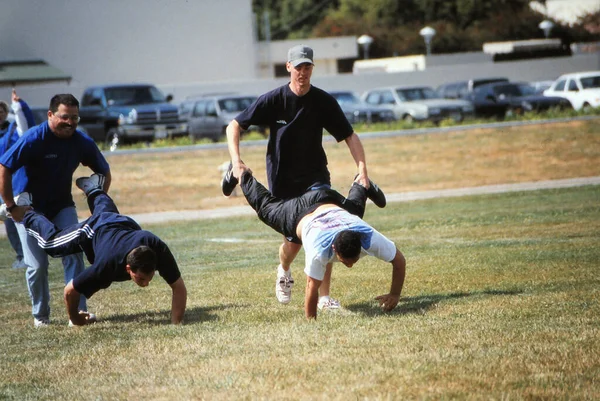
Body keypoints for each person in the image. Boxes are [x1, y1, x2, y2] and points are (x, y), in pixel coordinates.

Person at [223, 44, 386, 309]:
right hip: (283, 180)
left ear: (312, 68)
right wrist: (236, 161)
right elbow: (234, 126)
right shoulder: (273, 100)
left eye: (307, 67)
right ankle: (284, 271)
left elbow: (349, 135)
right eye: (298, 67)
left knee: (330, 230)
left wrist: (363, 171)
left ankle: (324, 298)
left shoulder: (323, 101)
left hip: (316, 178)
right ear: (288, 68)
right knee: (293, 243)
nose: (303, 72)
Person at [1, 174, 187, 326]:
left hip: (120, 223)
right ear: (128, 268)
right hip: (93, 231)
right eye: (141, 278)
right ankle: (26, 210)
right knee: (52, 244)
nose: (146, 284)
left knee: (106, 213)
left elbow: (178, 287)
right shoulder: (106, 265)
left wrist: (175, 324)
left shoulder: (157, 249)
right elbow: (69, 291)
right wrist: (75, 318)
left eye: (148, 278)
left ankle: (94, 189)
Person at [0, 93, 112, 327]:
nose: (70, 122)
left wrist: (98, 206)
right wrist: (11, 207)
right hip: (28, 209)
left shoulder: (80, 141)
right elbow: (4, 166)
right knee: (38, 265)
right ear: (50, 115)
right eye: (64, 117)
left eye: (74, 117)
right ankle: (41, 316)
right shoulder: (34, 138)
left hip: (62, 206)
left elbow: (104, 171)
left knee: (73, 255)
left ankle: (78, 313)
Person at [237, 168, 405, 319]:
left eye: (353, 260)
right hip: (299, 212)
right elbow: (311, 289)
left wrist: (395, 294)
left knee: (355, 211)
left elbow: (399, 261)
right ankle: (241, 173)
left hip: (330, 200)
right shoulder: (319, 250)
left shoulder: (368, 236)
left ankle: (361, 182)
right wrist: (312, 324)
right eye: (345, 262)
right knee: (266, 208)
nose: (350, 266)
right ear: (333, 248)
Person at [0, 89, 35, 270]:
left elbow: (25, 127)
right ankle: (21, 255)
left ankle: (27, 255)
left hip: (15, 182)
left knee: (18, 217)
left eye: (2, 110)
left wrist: (18, 106)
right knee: (8, 220)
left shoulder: (14, 130)